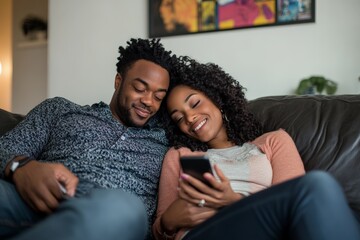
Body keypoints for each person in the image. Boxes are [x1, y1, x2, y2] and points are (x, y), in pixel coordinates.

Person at [152, 57, 360, 240]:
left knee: (317, 186)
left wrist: (231, 200)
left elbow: (291, 199)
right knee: (317, 185)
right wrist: (169, 221)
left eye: (195, 103)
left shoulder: (273, 142)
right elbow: (160, 227)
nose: (190, 117)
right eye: (179, 118)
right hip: (202, 232)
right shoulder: (180, 154)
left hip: (263, 227)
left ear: (217, 99)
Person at [0, 38, 178, 240]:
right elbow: (4, 147)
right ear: (118, 81)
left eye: (158, 97)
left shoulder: (165, 142)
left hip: (108, 219)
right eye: (139, 88)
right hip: (34, 200)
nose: (148, 101)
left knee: (123, 207)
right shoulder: (60, 110)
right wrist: (22, 167)